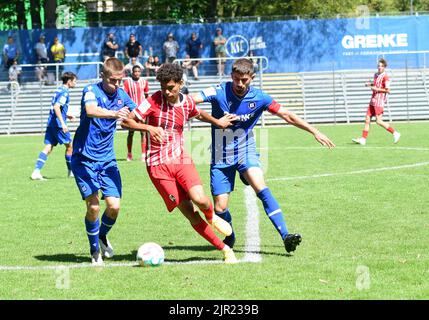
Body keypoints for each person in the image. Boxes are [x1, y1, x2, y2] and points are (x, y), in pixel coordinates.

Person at [191, 58, 336, 253]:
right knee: (220, 208)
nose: (240, 84)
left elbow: (287, 115)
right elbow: (189, 101)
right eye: (236, 79)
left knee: (260, 186)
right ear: (231, 77)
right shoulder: (218, 91)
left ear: (252, 77)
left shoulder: (260, 98)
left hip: (245, 151)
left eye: (244, 80)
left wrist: (314, 131)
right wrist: (216, 121)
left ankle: (286, 235)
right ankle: (230, 236)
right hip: (220, 156)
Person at [121, 63, 239, 263]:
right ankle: (225, 249)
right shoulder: (151, 101)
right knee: (191, 213)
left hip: (180, 159)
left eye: (171, 88)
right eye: (163, 88)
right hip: (158, 167)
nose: (167, 92)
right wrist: (148, 129)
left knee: (200, 200)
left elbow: (198, 113)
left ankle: (211, 217)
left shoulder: (186, 103)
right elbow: (126, 121)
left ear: (180, 84)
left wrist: (218, 122)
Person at [70, 57, 134, 266]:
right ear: (103, 76)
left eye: (119, 81)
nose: (116, 85)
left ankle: (101, 235)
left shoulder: (121, 94)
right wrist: (114, 114)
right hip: (84, 158)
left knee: (114, 207)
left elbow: (135, 112)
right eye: (112, 81)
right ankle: (94, 250)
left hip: (107, 160)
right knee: (94, 208)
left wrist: (133, 117)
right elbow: (91, 110)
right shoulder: (91, 90)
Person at [30, 72, 78, 181]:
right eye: (75, 81)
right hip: (58, 125)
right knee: (70, 146)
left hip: (51, 123)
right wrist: (63, 123)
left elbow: (55, 107)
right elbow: (56, 107)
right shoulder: (65, 92)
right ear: (69, 81)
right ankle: (71, 172)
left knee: (49, 147)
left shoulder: (58, 90)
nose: (76, 83)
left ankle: (36, 171)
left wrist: (67, 115)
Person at [352, 58, 400, 145]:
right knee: (367, 119)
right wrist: (369, 84)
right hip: (373, 100)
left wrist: (376, 89)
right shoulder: (376, 75)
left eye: (381, 66)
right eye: (378, 66)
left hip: (379, 101)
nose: (379, 67)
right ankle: (363, 139)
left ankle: (395, 133)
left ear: (384, 67)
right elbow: (375, 84)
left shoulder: (385, 77)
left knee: (378, 121)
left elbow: (388, 90)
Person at [123, 65, 149, 161]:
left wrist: (146, 109)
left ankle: (143, 154)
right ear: (132, 72)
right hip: (132, 111)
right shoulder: (127, 83)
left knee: (143, 132)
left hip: (142, 111)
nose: (137, 73)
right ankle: (129, 154)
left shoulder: (144, 82)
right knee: (131, 133)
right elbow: (125, 97)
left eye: (138, 71)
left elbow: (147, 96)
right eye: (135, 71)